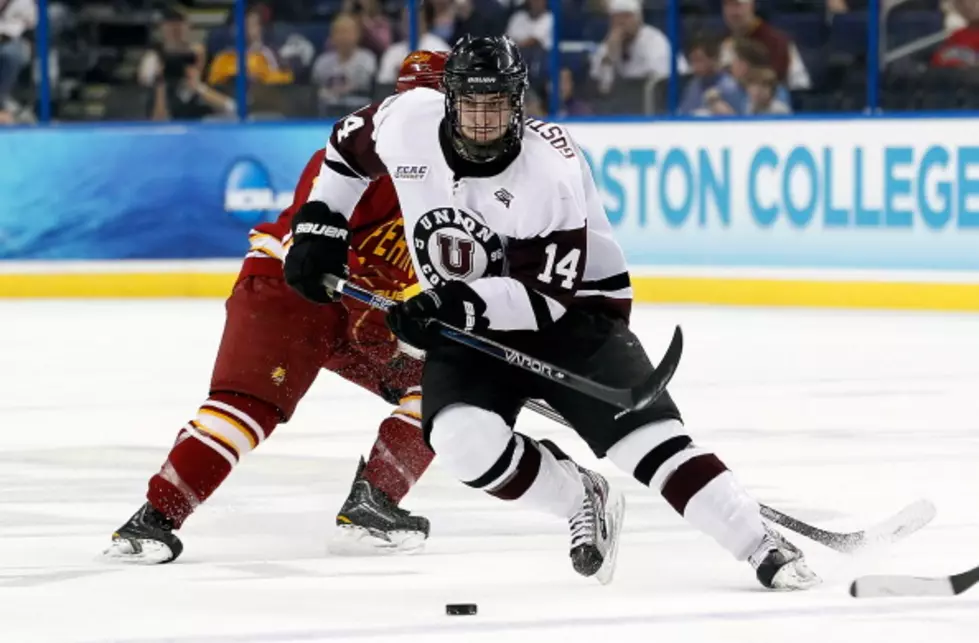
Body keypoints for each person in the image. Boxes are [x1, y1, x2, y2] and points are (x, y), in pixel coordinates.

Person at [283, 35, 821, 590]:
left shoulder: (549, 171)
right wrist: (321, 223)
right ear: (449, 100)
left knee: (644, 442)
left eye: (497, 105)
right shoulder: (407, 121)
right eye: (472, 104)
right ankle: (579, 495)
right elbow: (346, 152)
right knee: (460, 439)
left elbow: (544, 297)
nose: (484, 120)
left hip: (572, 318)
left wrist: (450, 304)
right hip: (463, 321)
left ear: (518, 102)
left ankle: (758, 542)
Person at [103, 51, 449, 564]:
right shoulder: (367, 153)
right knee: (247, 406)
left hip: (358, 312)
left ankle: (373, 502)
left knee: (449, 388)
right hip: (289, 291)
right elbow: (311, 246)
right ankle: (153, 520)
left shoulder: (457, 173)